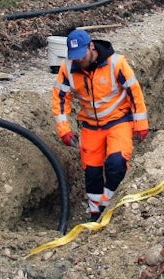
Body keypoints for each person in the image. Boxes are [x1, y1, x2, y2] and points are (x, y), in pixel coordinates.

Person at [52, 28, 150, 222]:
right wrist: (64, 130)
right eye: (75, 56)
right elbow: (61, 98)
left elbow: (134, 92)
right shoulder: (68, 67)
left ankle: (109, 207)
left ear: (91, 47)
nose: (79, 60)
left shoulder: (116, 63)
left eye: (82, 55)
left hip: (118, 121)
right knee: (92, 174)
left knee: (116, 164)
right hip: (90, 126)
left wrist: (141, 124)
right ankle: (96, 214)